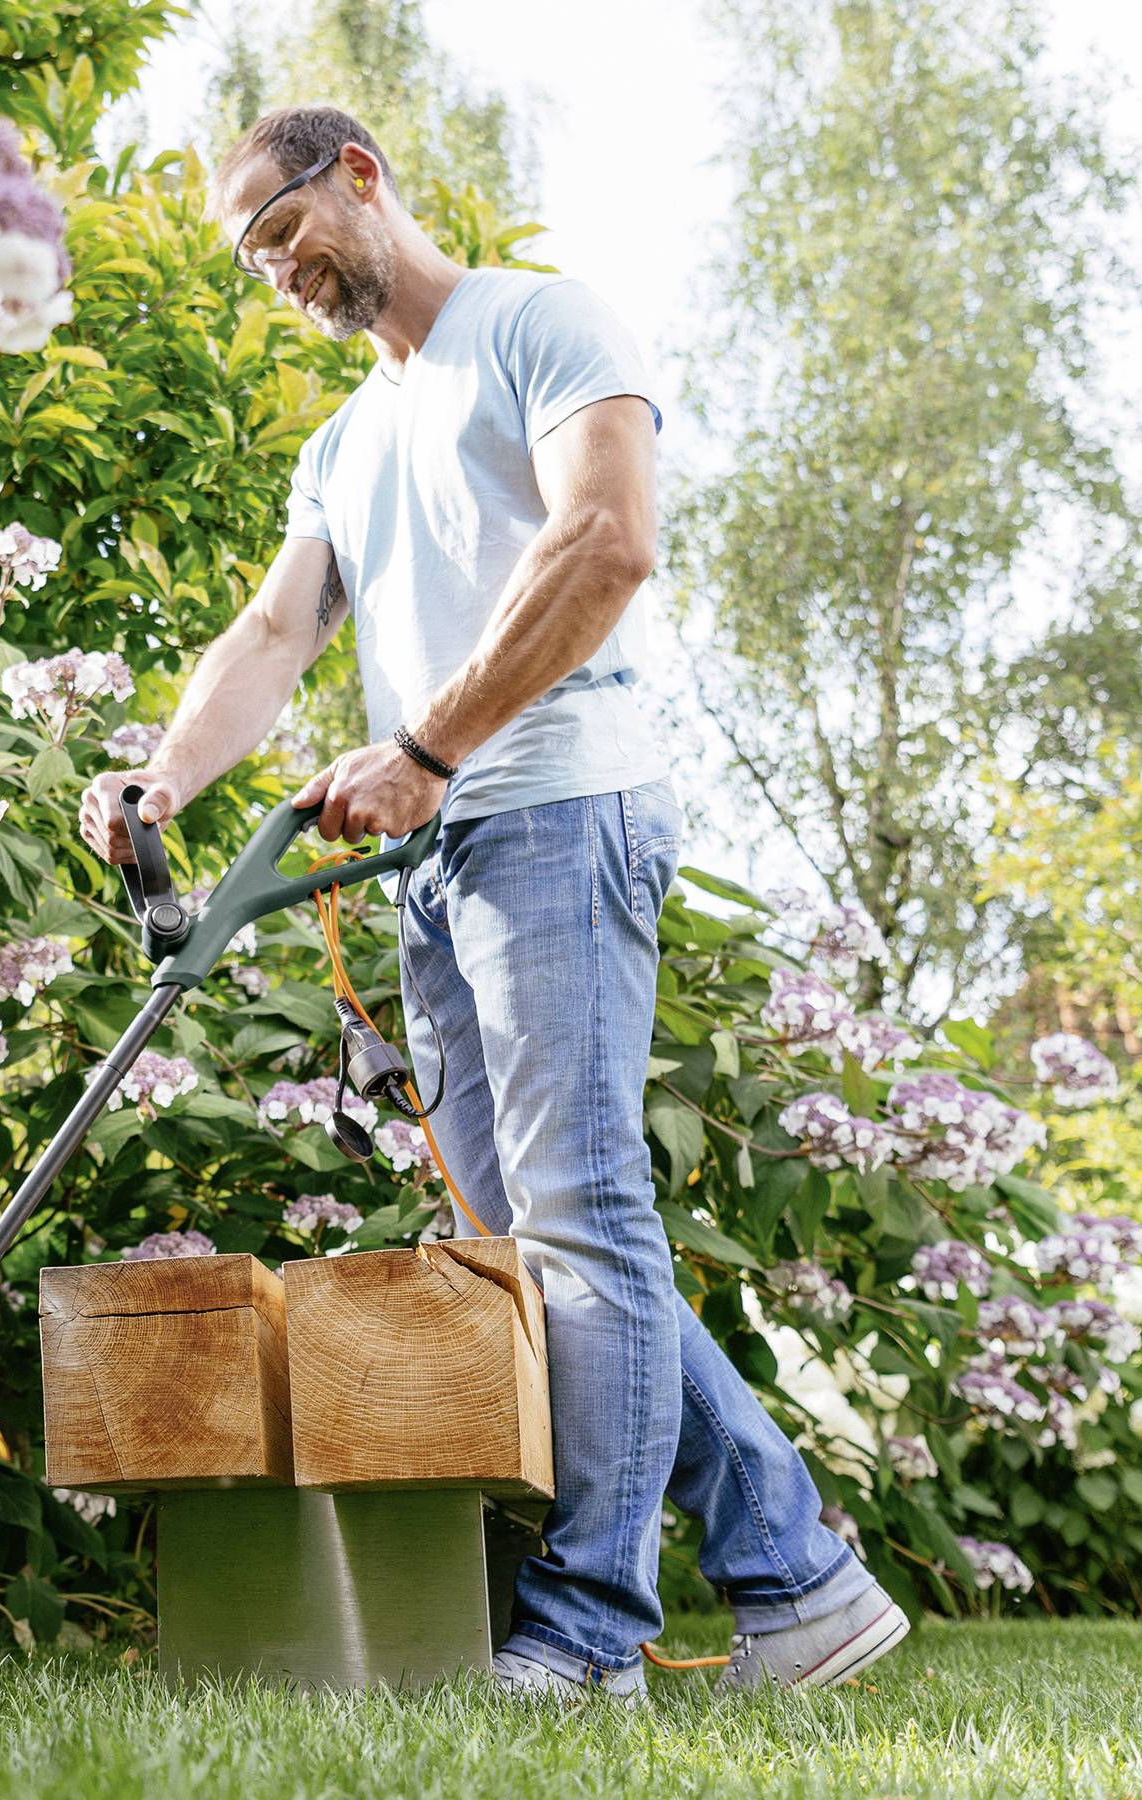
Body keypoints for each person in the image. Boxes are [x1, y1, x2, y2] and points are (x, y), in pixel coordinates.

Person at [78, 105, 907, 1699]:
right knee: (539, 1239)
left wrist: (427, 745)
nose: (276, 272)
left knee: (584, 1221)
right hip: (437, 850)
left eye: (282, 229)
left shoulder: (542, 321)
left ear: (361, 177)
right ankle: (799, 1578)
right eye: (250, 256)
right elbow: (270, 635)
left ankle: (594, 1629)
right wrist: (163, 783)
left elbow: (607, 542)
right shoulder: (348, 439)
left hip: (555, 811)